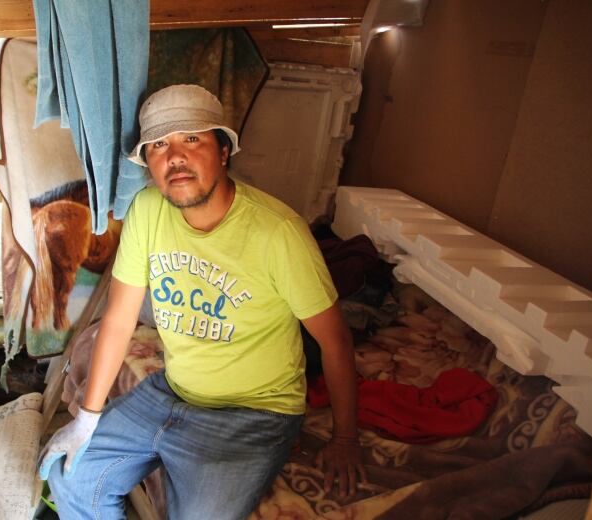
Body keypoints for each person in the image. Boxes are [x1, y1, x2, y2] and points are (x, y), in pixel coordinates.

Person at [39, 84, 364, 519]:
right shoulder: (147, 210)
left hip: (253, 414)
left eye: (191, 139)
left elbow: (336, 341)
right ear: (150, 163)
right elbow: (118, 321)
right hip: (171, 389)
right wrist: (87, 418)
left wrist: (345, 440)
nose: (174, 156)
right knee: (69, 475)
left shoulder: (277, 232)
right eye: (158, 145)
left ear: (223, 151)